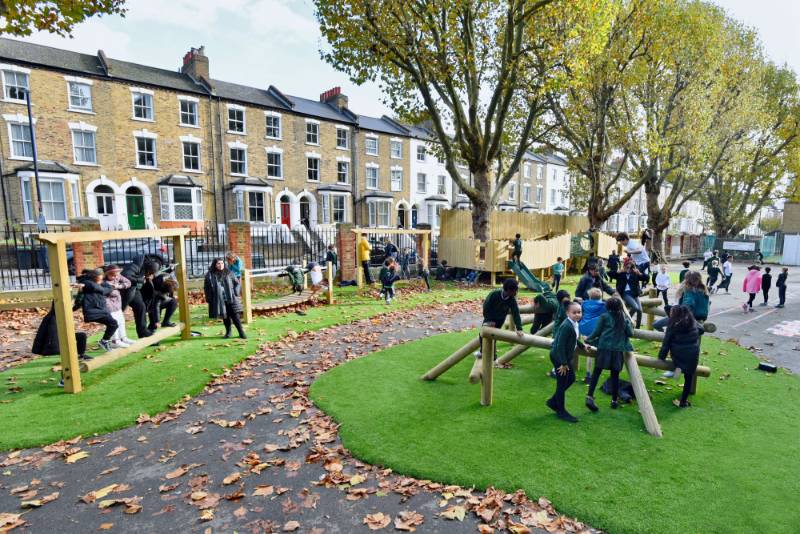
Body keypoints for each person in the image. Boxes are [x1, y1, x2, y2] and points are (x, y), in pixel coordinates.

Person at [584, 296, 632, 411]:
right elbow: (630, 333)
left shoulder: (604, 317)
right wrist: (629, 322)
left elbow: (596, 332)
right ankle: (614, 401)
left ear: (607, 306)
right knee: (615, 375)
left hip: (604, 348)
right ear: (621, 306)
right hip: (617, 350)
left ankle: (589, 396)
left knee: (597, 372)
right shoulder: (624, 318)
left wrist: (587, 340)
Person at [658, 305, 704, 408]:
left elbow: (666, 343)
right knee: (688, 377)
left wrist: (661, 357)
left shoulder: (673, 325)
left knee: (679, 367)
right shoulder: (692, 322)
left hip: (678, 356)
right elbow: (702, 329)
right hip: (693, 355)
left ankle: (676, 374)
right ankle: (683, 401)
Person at [546, 300, 585, 423]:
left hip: (564, 358)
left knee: (571, 379)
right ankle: (561, 411)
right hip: (559, 357)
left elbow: (573, 338)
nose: (577, 314)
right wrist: (563, 364)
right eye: (574, 312)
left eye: (579, 312)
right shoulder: (566, 326)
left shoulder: (573, 323)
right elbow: (560, 346)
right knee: (561, 384)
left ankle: (553, 402)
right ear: (568, 313)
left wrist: (582, 345)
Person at [121, 253, 167, 338]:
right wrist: (140, 280)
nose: (149, 275)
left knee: (141, 307)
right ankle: (115, 338)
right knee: (119, 314)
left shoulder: (145, 269)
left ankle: (143, 332)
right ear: (147, 268)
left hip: (133, 289)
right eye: (150, 273)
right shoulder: (133, 266)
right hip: (123, 291)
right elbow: (125, 276)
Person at [475, 278, 524, 359]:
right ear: (508, 290)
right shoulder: (494, 294)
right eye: (515, 291)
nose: (516, 293)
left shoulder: (512, 300)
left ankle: (493, 357)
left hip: (500, 320)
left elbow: (516, 313)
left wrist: (519, 328)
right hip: (489, 317)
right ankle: (482, 352)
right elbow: (486, 307)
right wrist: (489, 320)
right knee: (482, 335)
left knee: (494, 336)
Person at [74, 268, 118, 352]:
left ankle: (104, 341)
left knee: (113, 324)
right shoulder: (86, 283)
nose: (101, 280)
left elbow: (107, 289)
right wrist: (103, 288)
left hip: (101, 309)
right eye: (100, 278)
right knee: (113, 323)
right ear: (95, 277)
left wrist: (106, 287)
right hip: (93, 310)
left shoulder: (99, 283)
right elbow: (100, 289)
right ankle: (104, 341)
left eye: (101, 278)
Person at [203, 258, 245, 339]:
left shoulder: (229, 272)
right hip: (219, 300)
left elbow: (237, 283)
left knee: (235, 316)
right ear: (215, 264)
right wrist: (209, 298)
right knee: (225, 316)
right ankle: (228, 332)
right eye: (218, 263)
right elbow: (206, 287)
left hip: (231, 298)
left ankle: (241, 332)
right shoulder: (210, 275)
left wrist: (235, 293)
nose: (220, 265)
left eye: (222, 263)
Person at [607, 262, 649, 328]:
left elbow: (646, 278)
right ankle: (626, 321)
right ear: (624, 267)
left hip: (634, 294)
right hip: (625, 293)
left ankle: (637, 328)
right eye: (627, 267)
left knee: (640, 310)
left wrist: (640, 273)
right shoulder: (621, 274)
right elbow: (609, 273)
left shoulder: (635, 274)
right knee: (635, 307)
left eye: (631, 267)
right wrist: (618, 271)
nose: (629, 269)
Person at [578, 287, 605, 382]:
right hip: (595, 330)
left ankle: (588, 374)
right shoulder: (603, 305)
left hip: (584, 329)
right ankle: (595, 372)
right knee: (596, 351)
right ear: (600, 296)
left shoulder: (584, 304)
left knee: (588, 351)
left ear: (589, 296)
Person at [102, 265, 133, 348]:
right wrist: (115, 288)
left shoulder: (117, 276)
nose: (115, 277)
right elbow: (109, 294)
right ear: (107, 274)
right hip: (109, 306)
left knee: (121, 321)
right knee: (114, 323)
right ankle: (115, 341)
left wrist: (119, 286)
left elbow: (128, 283)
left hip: (117, 304)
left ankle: (123, 338)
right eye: (113, 275)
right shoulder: (104, 283)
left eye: (116, 275)